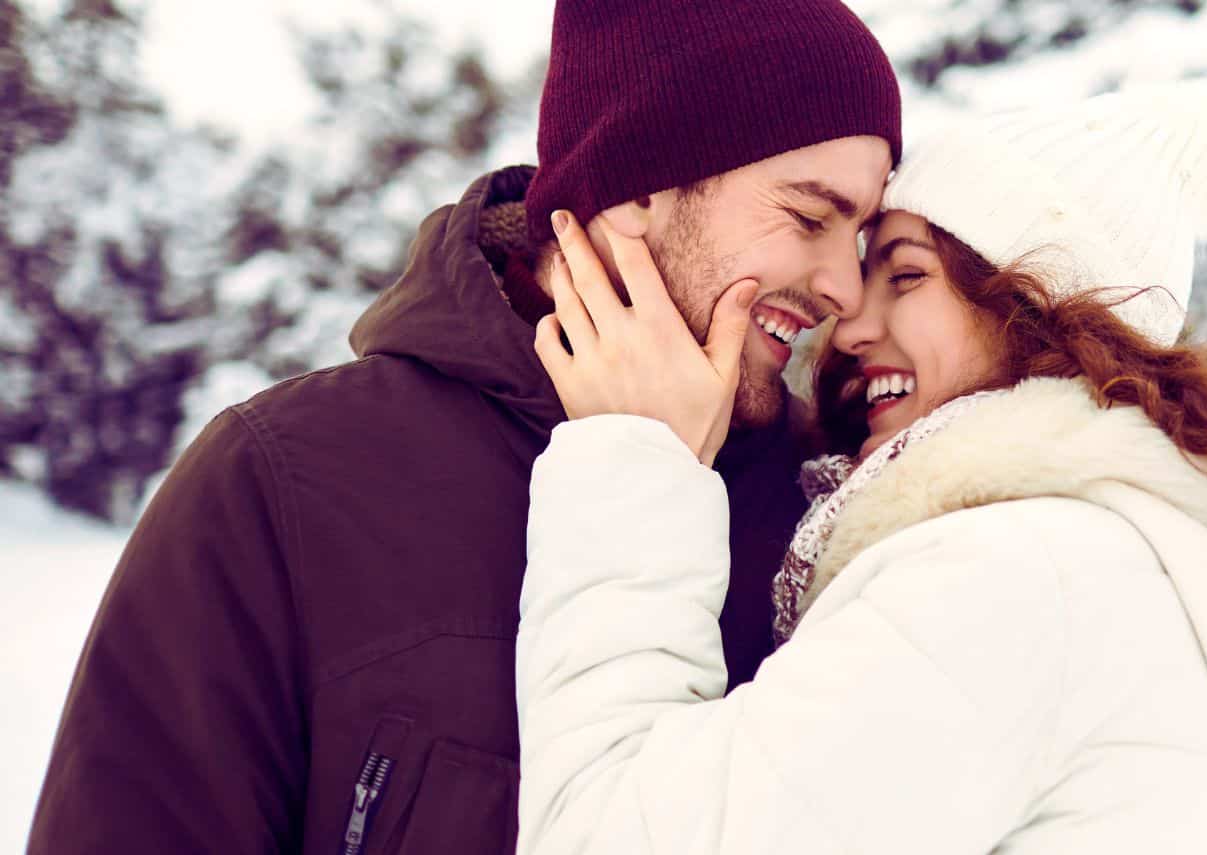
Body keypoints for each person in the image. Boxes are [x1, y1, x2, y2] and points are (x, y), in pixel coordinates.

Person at [26, 2, 900, 853]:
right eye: (809, 217)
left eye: (859, 232)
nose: (844, 288)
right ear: (638, 190)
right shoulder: (284, 482)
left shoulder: (831, 512)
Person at [514, 76, 1207, 855]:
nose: (852, 320)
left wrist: (633, 459)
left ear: (1044, 317)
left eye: (909, 275)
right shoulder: (1120, 562)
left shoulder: (1018, 577)